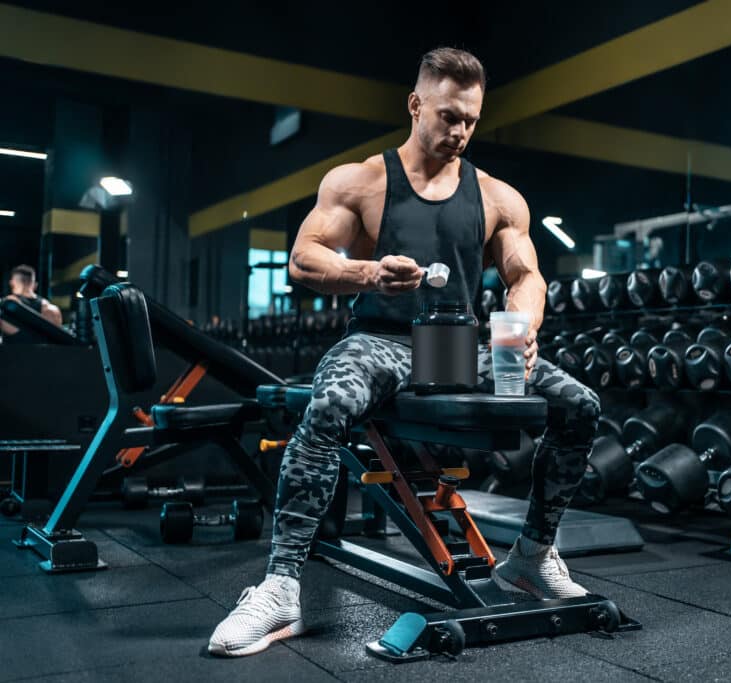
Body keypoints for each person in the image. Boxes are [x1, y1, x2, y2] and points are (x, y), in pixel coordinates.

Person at [208, 47, 601, 658]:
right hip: (381, 343)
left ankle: (530, 556)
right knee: (331, 400)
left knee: (580, 404)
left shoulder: (499, 196)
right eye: (448, 116)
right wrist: (367, 273)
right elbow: (304, 257)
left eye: (471, 119)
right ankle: (281, 584)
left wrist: (522, 325)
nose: (460, 131)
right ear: (415, 105)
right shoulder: (360, 181)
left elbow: (527, 275)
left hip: (463, 346)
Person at [1, 264, 62, 342]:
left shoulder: (6, 306)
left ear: (12, 283)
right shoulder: (52, 309)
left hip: (12, 353)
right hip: (43, 354)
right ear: (34, 284)